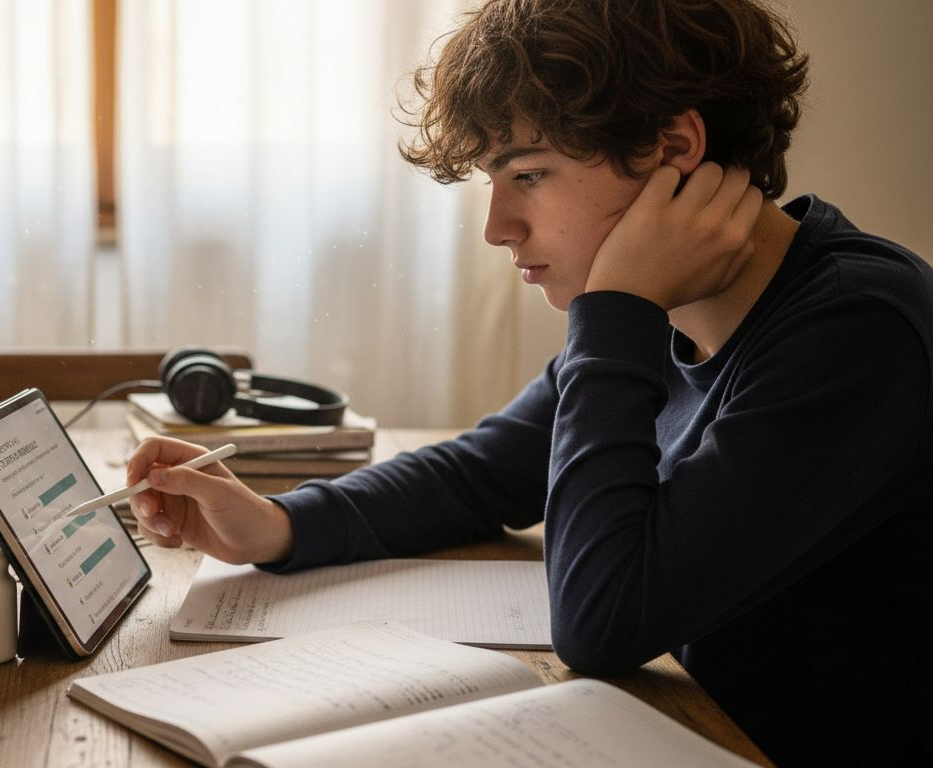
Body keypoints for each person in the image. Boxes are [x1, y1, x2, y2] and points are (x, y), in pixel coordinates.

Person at [124, 0, 933, 763]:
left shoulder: (857, 333)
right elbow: (485, 471)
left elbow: (602, 619)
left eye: (530, 175)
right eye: (492, 180)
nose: (496, 227)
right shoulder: (674, 309)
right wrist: (277, 524)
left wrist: (617, 307)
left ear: (676, 150)